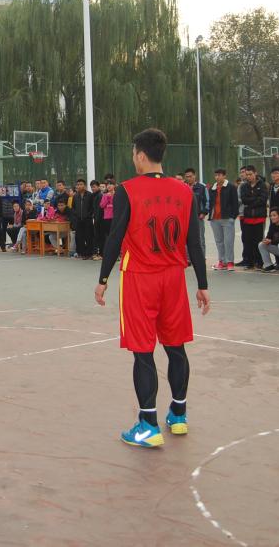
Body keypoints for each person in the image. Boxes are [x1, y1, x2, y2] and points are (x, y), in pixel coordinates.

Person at [94, 128, 209, 448]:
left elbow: (115, 237)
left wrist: (103, 279)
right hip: (174, 278)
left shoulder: (127, 190)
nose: (133, 158)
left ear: (141, 155)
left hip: (140, 278)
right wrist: (202, 284)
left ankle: (147, 425)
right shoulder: (185, 191)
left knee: (143, 352)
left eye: (134, 154)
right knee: (176, 347)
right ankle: (179, 415)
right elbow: (195, 243)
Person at [237, 166, 268, 269]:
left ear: (255, 173)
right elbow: (244, 199)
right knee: (248, 240)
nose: (249, 176)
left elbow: (263, 200)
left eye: (250, 174)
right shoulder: (244, 186)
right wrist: (254, 199)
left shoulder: (262, 185)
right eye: (247, 175)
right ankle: (249, 262)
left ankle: (259, 262)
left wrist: (251, 201)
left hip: (259, 217)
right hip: (248, 217)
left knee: (258, 241)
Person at [208, 169, 238, 271]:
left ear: (224, 176)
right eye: (216, 175)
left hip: (227, 218)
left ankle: (230, 262)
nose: (217, 177)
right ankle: (222, 261)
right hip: (214, 219)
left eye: (219, 175)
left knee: (228, 241)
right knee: (219, 242)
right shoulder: (212, 188)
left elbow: (235, 203)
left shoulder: (231, 187)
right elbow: (210, 203)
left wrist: (232, 217)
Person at [183, 169, 209, 254]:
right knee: (186, 238)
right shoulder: (182, 186)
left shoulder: (202, 187)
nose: (188, 178)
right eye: (187, 177)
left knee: (200, 238)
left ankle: (202, 257)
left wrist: (204, 212)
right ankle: (188, 258)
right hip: (185, 217)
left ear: (195, 176)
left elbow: (207, 201)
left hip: (198, 217)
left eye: (190, 176)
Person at [70, 179, 96, 260]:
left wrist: (88, 215)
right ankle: (81, 253)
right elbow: (73, 207)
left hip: (87, 220)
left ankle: (89, 253)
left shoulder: (90, 195)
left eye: (81, 184)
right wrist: (76, 215)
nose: (79, 186)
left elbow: (93, 207)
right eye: (78, 184)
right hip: (78, 220)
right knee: (79, 237)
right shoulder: (75, 196)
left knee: (89, 237)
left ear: (84, 186)